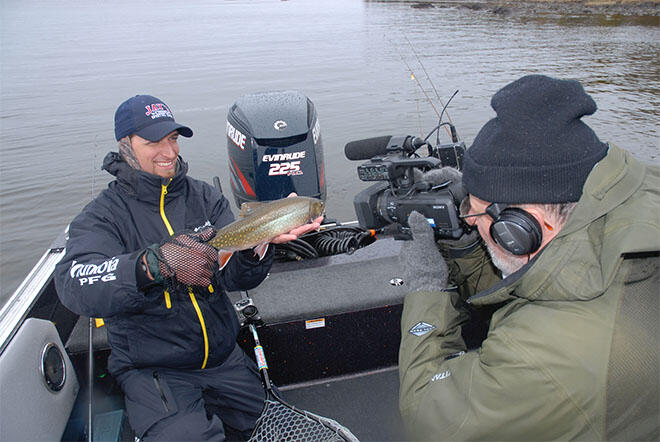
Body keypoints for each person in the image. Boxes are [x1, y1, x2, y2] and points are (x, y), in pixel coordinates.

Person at [398, 75, 659, 441]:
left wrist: (426, 289)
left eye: (474, 216)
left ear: (520, 230)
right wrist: (466, 242)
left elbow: (428, 418)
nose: (471, 223)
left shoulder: (539, 357)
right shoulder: (638, 199)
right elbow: (540, 277)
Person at [54, 94, 322, 440]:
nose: (169, 152)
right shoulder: (102, 216)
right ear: (126, 146)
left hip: (224, 360)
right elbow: (74, 284)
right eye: (154, 142)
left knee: (285, 433)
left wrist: (261, 243)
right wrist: (152, 265)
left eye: (173, 139)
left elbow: (236, 277)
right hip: (156, 372)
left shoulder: (204, 197)